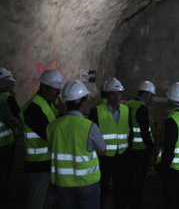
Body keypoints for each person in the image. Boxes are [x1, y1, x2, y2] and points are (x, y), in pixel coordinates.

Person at [46, 80, 106, 209]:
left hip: (62, 183)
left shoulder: (53, 126)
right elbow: (102, 150)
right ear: (83, 102)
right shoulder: (89, 126)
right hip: (87, 183)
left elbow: (51, 147)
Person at [19, 68, 64, 209]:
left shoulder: (48, 104)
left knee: (48, 202)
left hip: (47, 164)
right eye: (55, 90)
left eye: (59, 90)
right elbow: (50, 134)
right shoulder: (33, 108)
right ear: (44, 87)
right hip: (37, 167)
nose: (58, 94)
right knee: (36, 203)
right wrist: (63, 116)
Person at [89, 77, 130, 208]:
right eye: (112, 93)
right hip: (104, 156)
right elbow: (91, 135)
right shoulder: (97, 111)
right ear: (107, 95)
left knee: (121, 189)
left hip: (121, 155)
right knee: (101, 188)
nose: (116, 96)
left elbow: (130, 132)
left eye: (118, 93)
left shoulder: (127, 110)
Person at [126, 80, 156, 209]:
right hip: (140, 150)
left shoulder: (128, 104)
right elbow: (144, 132)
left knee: (129, 177)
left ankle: (127, 201)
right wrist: (151, 147)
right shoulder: (142, 108)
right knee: (138, 180)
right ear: (147, 93)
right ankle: (135, 204)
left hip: (128, 148)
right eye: (151, 95)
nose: (151, 98)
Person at [0, 67, 19, 204]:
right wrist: (17, 121)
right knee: (3, 174)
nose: (9, 84)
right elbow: (11, 122)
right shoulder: (2, 101)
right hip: (3, 145)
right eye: (6, 81)